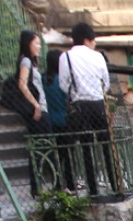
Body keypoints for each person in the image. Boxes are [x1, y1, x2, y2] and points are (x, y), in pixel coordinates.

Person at [58, 22, 115, 195]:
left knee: (86, 145)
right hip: (98, 103)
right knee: (106, 143)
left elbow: (63, 84)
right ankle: (114, 182)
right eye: (93, 40)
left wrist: (77, 91)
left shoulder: (65, 57)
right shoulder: (98, 57)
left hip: (79, 105)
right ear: (86, 40)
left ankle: (92, 188)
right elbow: (106, 81)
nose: (94, 43)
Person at [16, 30, 50, 196]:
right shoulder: (26, 62)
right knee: (39, 148)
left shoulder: (30, 62)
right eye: (36, 43)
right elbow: (22, 85)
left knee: (41, 148)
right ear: (28, 43)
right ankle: (36, 187)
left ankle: (38, 185)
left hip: (42, 108)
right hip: (38, 111)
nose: (38, 47)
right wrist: (36, 106)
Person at [43, 49, 75, 191]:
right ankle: (70, 183)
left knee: (55, 154)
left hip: (49, 121)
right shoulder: (61, 80)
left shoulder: (43, 80)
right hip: (64, 121)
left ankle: (57, 183)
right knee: (68, 154)